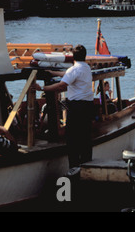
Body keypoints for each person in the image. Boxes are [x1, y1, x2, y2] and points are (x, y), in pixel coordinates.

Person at [33, 44, 94, 175]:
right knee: (85, 136)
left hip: (77, 107)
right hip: (87, 106)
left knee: (72, 137)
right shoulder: (86, 68)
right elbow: (67, 74)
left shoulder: (74, 70)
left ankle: (74, 167)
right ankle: (86, 164)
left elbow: (61, 86)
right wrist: (53, 72)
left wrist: (42, 89)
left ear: (73, 57)